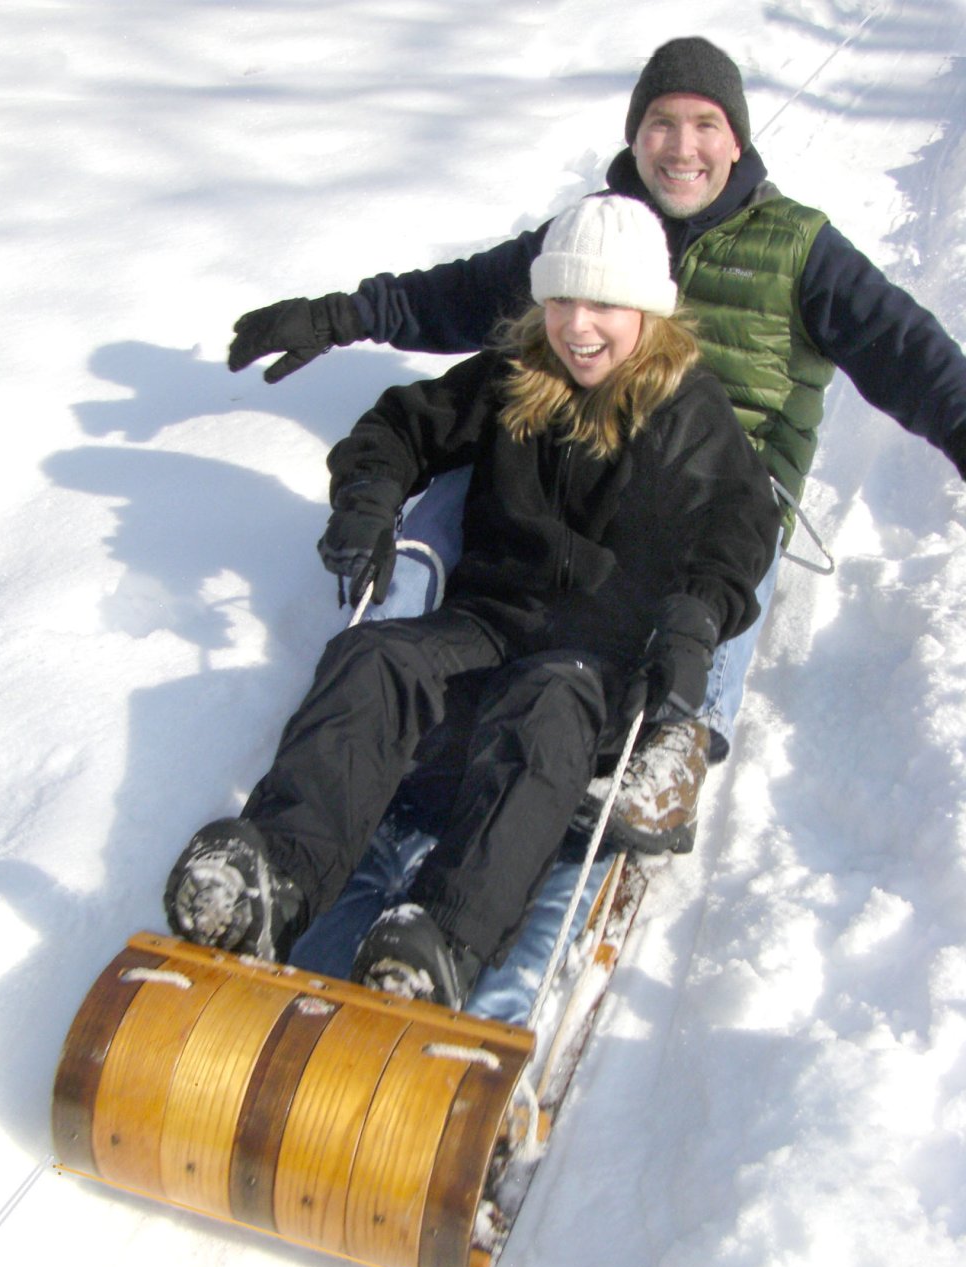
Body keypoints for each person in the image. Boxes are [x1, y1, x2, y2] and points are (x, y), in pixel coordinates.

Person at [225, 35, 966, 854]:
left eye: (705, 125)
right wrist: (341, 317)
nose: (682, 148)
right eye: (660, 123)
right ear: (633, 134)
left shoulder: (799, 250)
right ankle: (390, 689)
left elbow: (910, 356)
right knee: (452, 496)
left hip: (715, 484)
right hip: (580, 451)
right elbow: (464, 294)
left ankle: (679, 737)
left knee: (722, 567)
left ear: (739, 141)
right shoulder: (597, 232)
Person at [165, 195, 780, 1009]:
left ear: (648, 312)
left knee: (547, 704)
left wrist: (694, 624)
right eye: (561, 299)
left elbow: (738, 525)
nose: (578, 325)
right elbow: (399, 427)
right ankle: (275, 878)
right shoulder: (512, 376)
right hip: (485, 628)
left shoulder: (687, 412)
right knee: (377, 657)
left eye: (604, 304)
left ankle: (444, 939)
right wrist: (367, 501)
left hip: (595, 674)